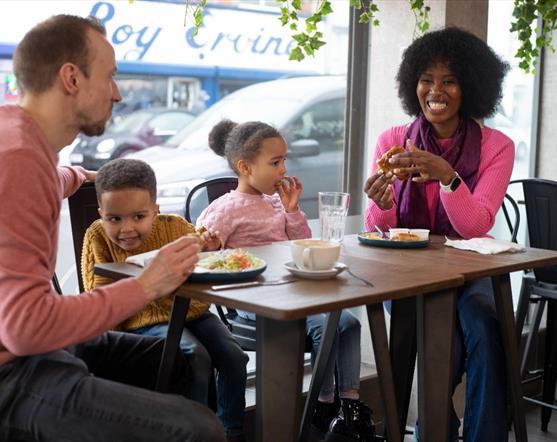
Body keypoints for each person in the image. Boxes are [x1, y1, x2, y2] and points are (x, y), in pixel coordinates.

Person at [0, 14, 225, 442]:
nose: (118, 93)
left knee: (184, 360)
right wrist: (148, 285)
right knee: (201, 430)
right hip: (13, 368)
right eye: (110, 77)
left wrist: (80, 175)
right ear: (71, 78)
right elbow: (26, 327)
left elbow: (51, 180)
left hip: (25, 349)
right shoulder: (18, 161)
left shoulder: (22, 142)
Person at [363, 27, 513, 442]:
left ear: (471, 88)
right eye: (427, 79)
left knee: (485, 329)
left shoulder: (496, 147)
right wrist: (384, 202)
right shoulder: (393, 142)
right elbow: (376, 228)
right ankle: (435, 431)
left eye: (450, 80)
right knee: (442, 340)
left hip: (469, 273)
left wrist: (448, 179)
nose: (436, 90)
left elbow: (476, 224)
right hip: (407, 277)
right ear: (413, 86)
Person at [197, 119, 381, 442]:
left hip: (294, 295)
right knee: (327, 325)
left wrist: (293, 211)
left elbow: (302, 245)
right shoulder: (223, 210)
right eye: (275, 162)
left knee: (348, 323)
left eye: (284, 160)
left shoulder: (275, 203)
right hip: (255, 305)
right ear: (245, 167)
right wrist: (209, 246)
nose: (284, 169)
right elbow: (203, 250)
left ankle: (348, 406)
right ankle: (324, 402)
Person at [82, 158, 249, 442]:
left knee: (234, 356)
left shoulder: (174, 226)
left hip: (193, 311)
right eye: (115, 219)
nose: (127, 229)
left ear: (155, 211)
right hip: (140, 319)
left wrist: (211, 246)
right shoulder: (97, 236)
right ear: (101, 213)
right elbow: (98, 297)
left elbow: (201, 252)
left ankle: (231, 432)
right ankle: (195, 434)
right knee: (194, 356)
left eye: (138, 216)